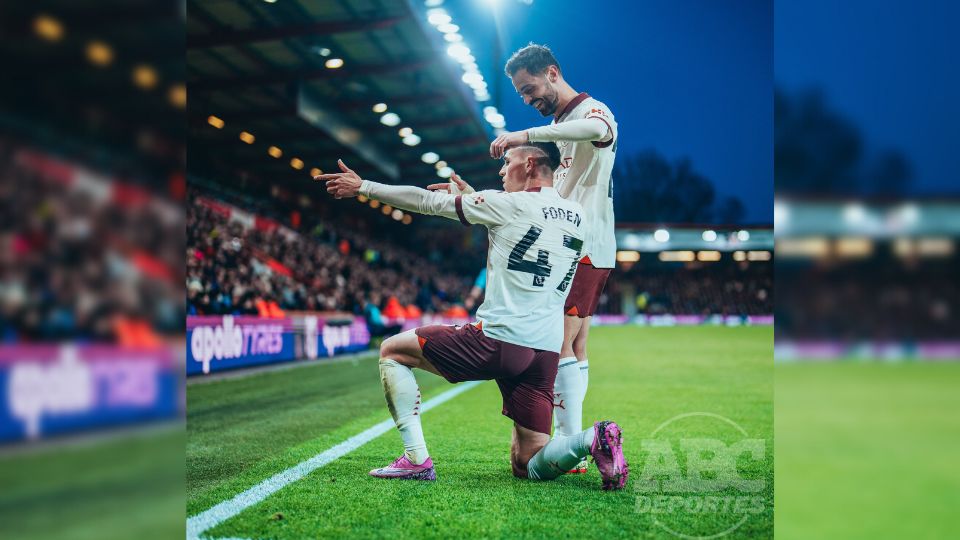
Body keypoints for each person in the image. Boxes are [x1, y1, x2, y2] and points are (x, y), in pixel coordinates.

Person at [317, 143, 628, 490]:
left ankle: (416, 460)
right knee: (527, 464)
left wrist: (363, 187)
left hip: (498, 340)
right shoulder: (579, 216)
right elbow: (534, 224)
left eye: (507, 162)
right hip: (544, 352)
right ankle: (591, 439)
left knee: (392, 350)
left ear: (529, 164)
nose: (501, 170)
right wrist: (474, 196)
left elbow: (425, 202)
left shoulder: (506, 204)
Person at [449, 44, 619, 473]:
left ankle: (575, 443)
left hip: (579, 246)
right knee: (574, 344)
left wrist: (525, 135)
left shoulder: (592, 111)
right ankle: (575, 440)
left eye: (530, 89)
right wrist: (473, 199)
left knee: (557, 341)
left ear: (552, 72)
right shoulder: (561, 125)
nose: (528, 100)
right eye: (522, 95)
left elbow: (598, 131)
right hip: (576, 245)